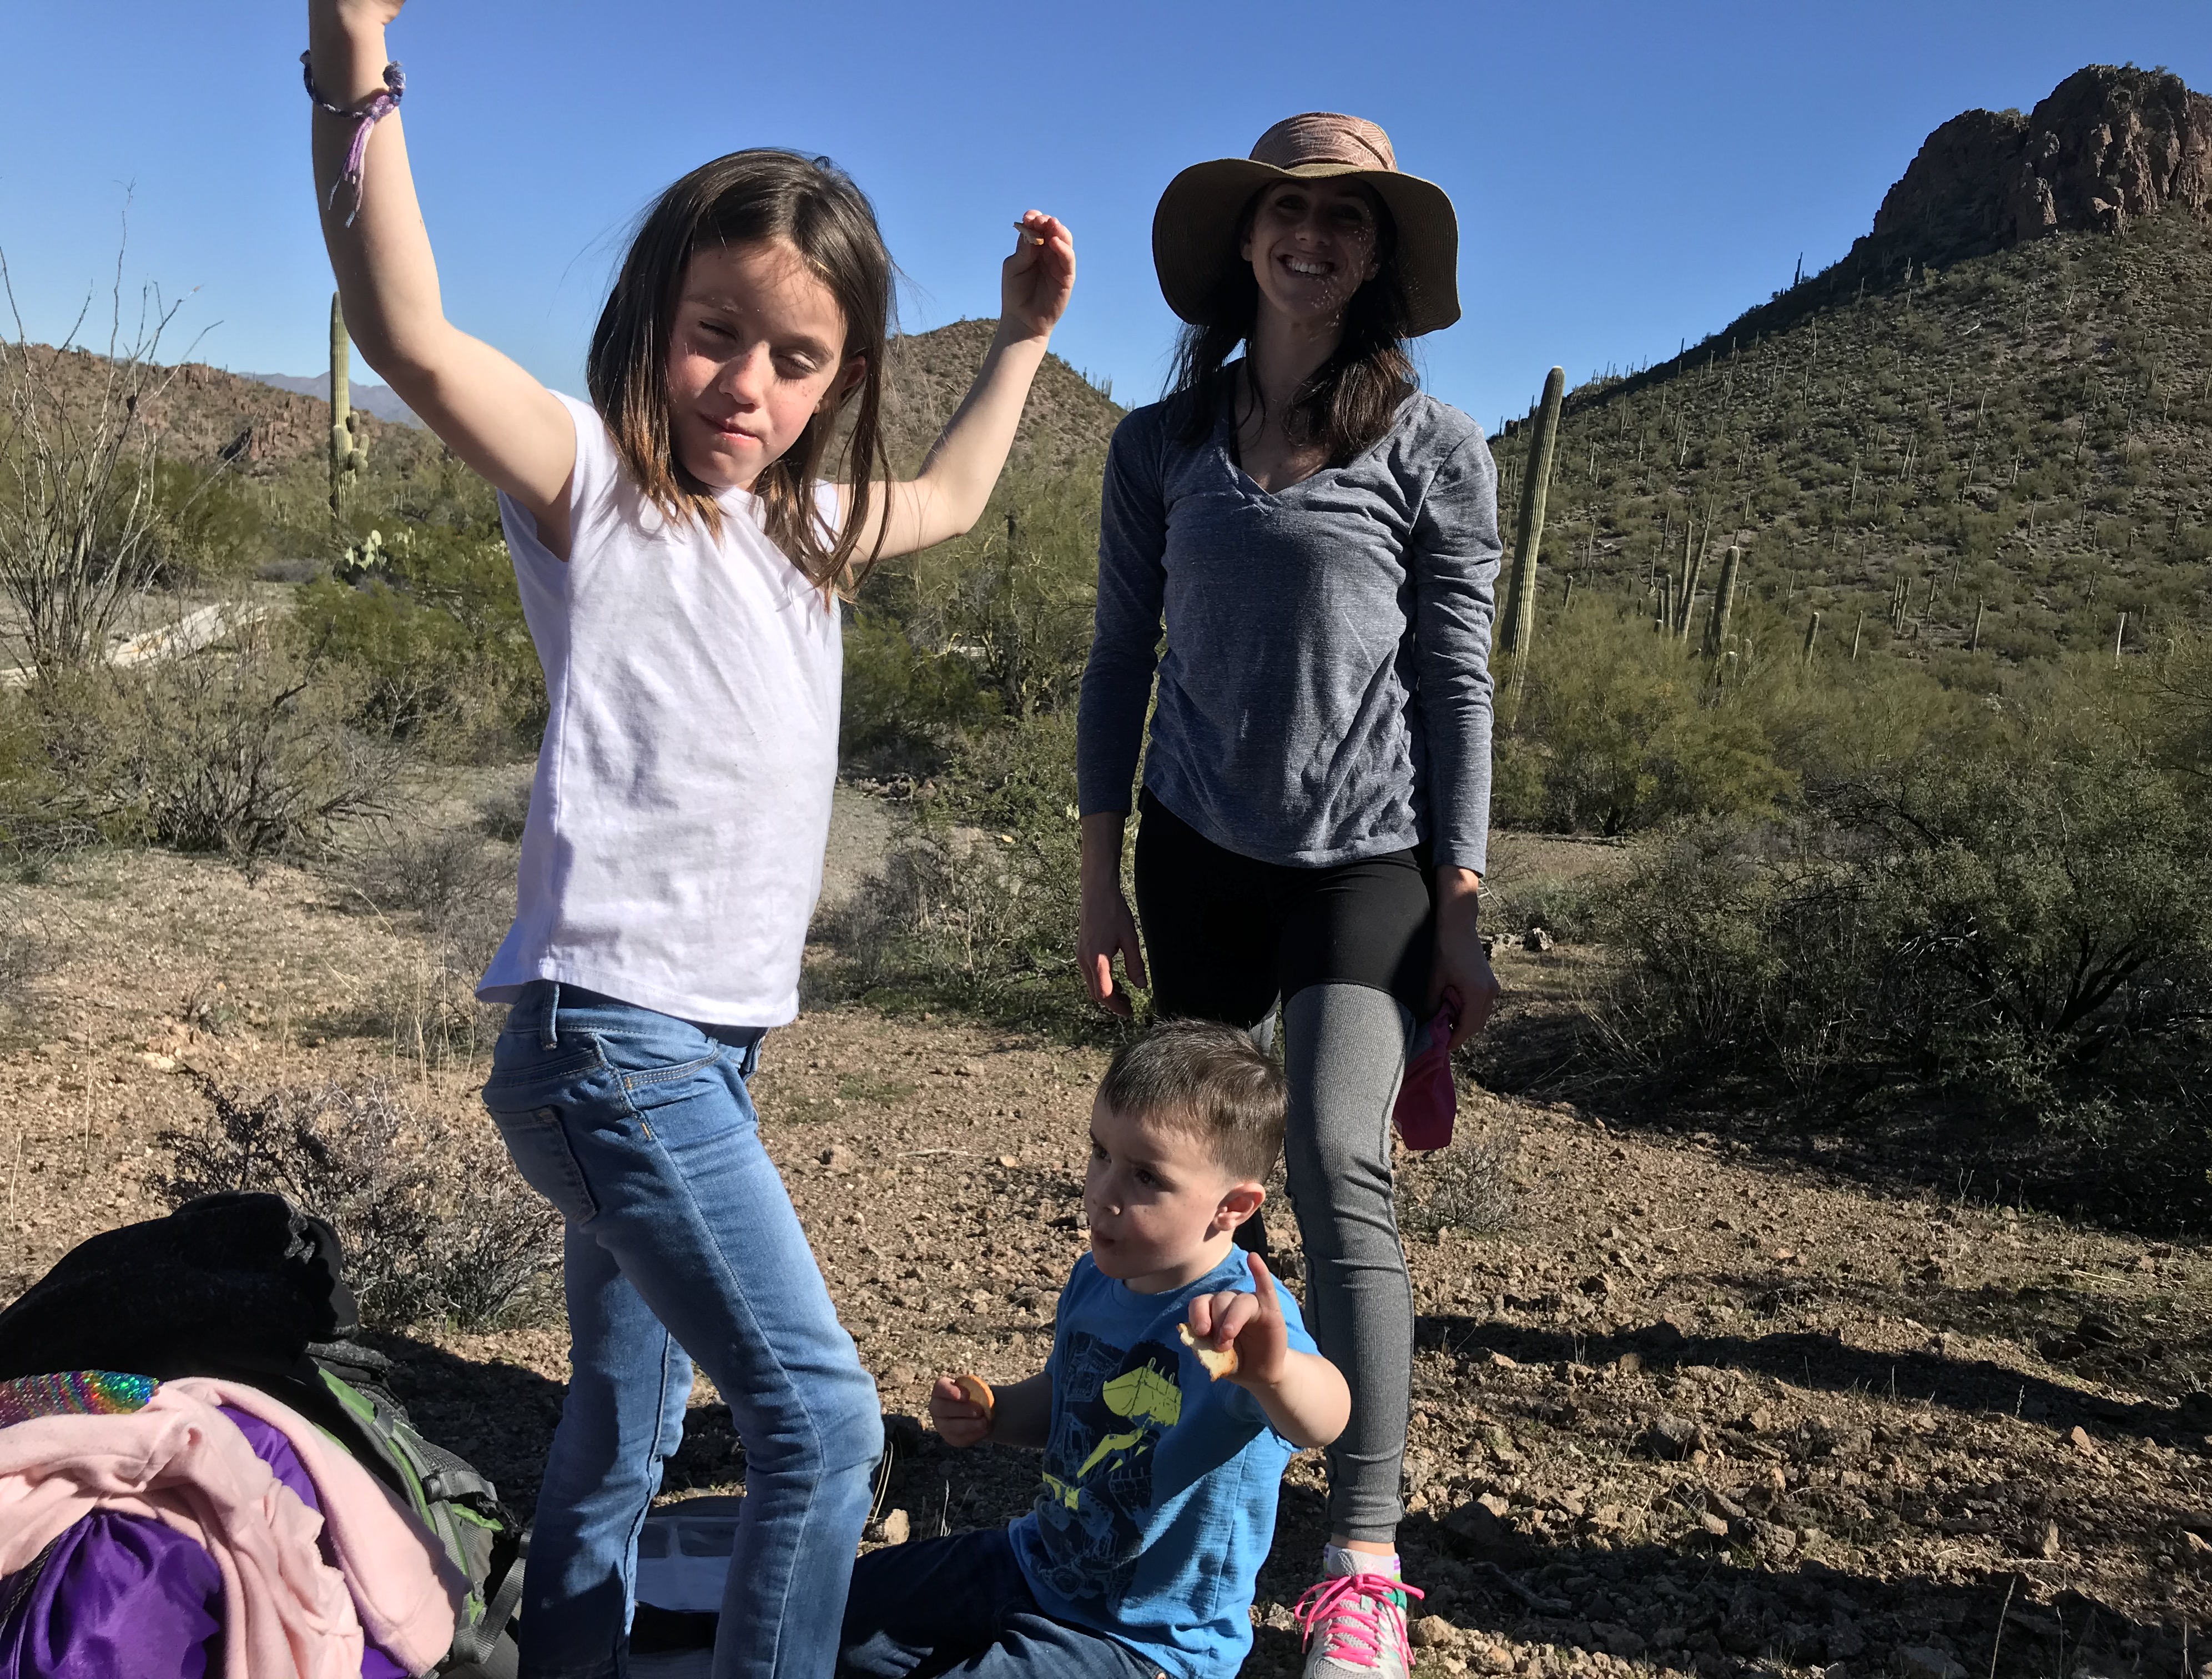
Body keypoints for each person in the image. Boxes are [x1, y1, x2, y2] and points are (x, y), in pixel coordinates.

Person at [303, 7, 1074, 1678]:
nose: (747, 384)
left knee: (625, 1429)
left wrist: (1017, 344)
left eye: (796, 361)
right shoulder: (598, 490)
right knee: (822, 1425)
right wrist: (355, 64)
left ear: (841, 379)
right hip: (612, 1044)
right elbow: (410, 330)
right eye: (717, 334)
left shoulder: (801, 535)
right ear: (658, 317)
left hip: (702, 1059)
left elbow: (943, 500)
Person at [1074, 113, 1501, 1679]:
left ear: (1377, 256)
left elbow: (1456, 677)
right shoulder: (1159, 449)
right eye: (1288, 214)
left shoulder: (1436, 447)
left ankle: (1365, 1561)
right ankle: (1165, 1470)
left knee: (1332, 1156)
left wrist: (1458, 898)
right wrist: (1096, 872)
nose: (1312, 239)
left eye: (1346, 220)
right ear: (1245, 241)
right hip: (1195, 841)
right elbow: (1122, 660)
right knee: (1185, 1178)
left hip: (1367, 854)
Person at [838, 1021, 1352, 1679]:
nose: (1103, 1192)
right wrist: (995, 1412)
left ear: (1232, 1206)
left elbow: (1327, 1416)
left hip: (1142, 1639)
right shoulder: (1096, 1278)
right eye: (1100, 1153)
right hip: (1033, 1565)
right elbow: (1066, 1401)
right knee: (843, 1610)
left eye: (1145, 1176)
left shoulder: (1241, 1324)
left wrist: (1274, 1375)